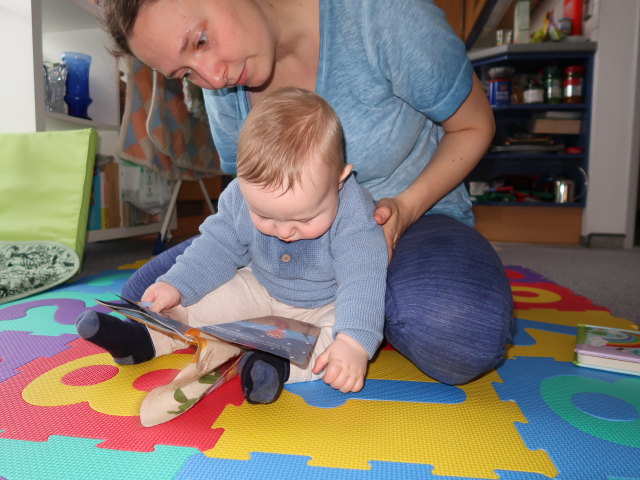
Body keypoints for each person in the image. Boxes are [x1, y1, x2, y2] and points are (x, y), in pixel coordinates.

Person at [100, 0, 514, 386]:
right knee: (145, 299)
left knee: (459, 335)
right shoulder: (222, 84)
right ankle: (291, 329)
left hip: (417, 213)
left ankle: (353, 323)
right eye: (185, 74)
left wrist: (404, 209)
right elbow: (240, 208)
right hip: (282, 242)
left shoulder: (383, 16)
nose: (212, 77)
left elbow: (474, 126)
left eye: (201, 40)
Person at [76, 87, 388, 403]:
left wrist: (354, 342)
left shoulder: (353, 210)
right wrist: (177, 285)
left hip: (325, 305)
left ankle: (272, 366)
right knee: (200, 301)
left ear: (339, 179)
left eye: (303, 219)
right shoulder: (239, 195)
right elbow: (217, 247)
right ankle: (141, 340)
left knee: (332, 350)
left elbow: (363, 280)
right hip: (262, 288)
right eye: (264, 215)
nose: (283, 232)